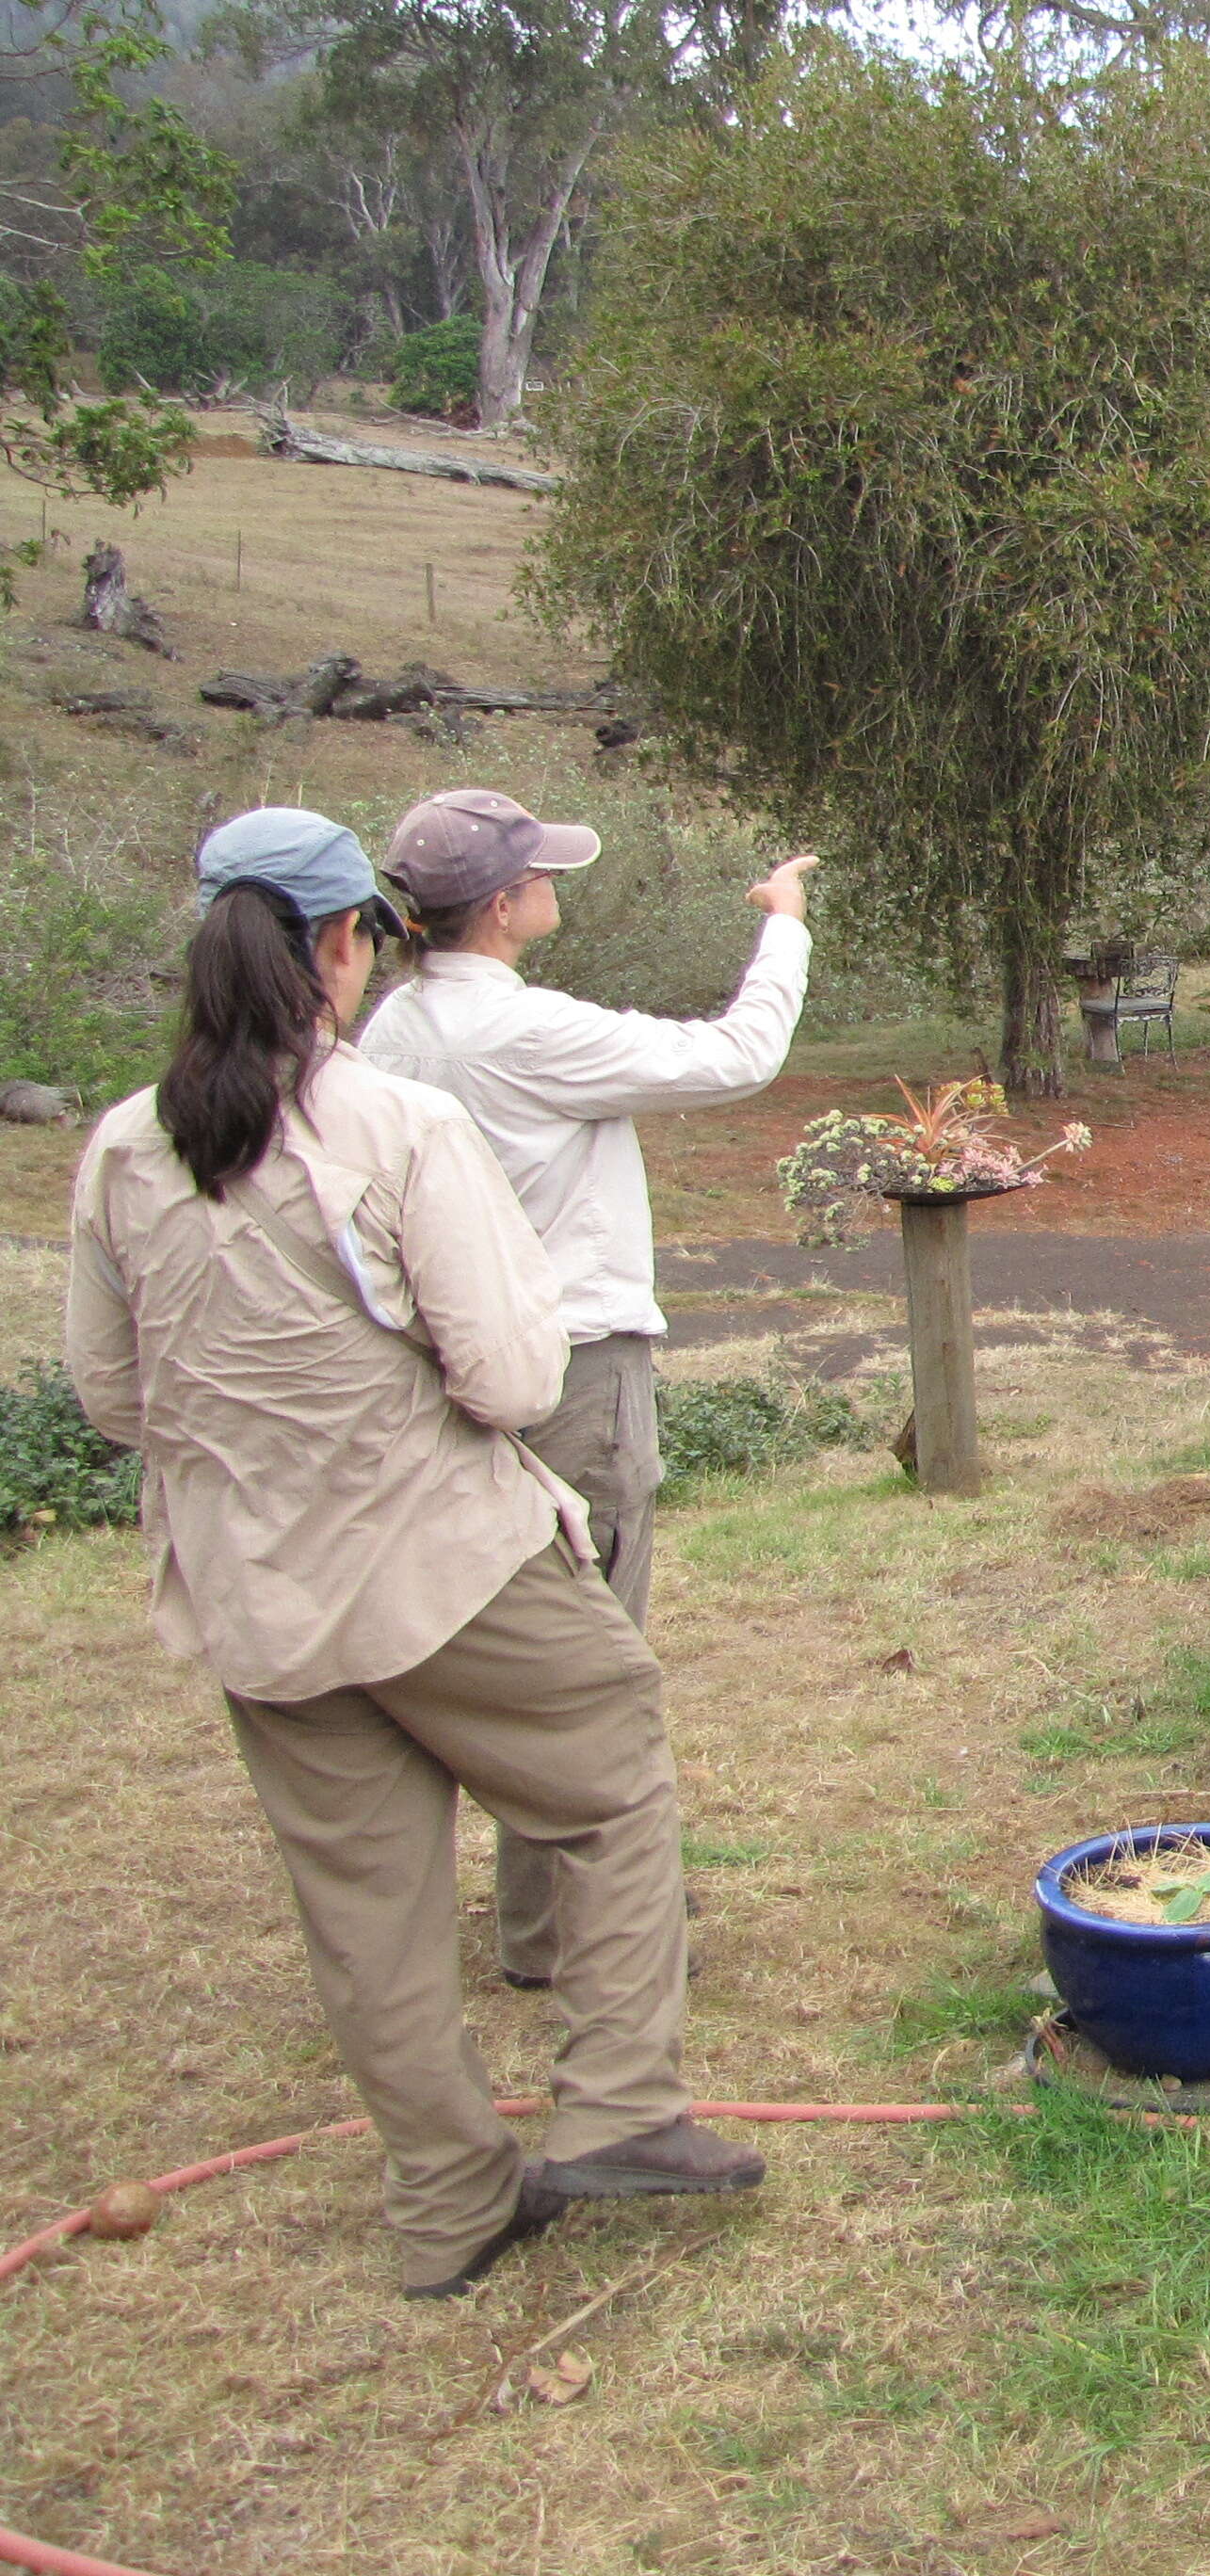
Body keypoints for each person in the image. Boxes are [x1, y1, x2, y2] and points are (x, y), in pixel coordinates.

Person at [66, 809, 762, 2300]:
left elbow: (113, 1400)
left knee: (367, 1910)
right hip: (439, 1565)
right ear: (340, 945)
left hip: (256, 1597)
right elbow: (513, 1380)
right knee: (613, 1767)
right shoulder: (387, 1125)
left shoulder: (125, 1149)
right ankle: (624, 2107)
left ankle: (449, 2206)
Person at [359, 793, 815, 1989]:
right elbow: (734, 1057)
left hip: (449, 1373)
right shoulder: (521, 1031)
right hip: (570, 1369)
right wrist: (785, 925)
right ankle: (566, 1930)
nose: (555, 884)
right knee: (592, 1645)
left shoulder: (392, 1030)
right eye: (538, 874)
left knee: (509, 1633)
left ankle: (555, 1909)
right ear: (503, 908)